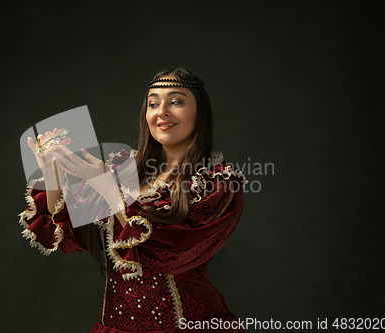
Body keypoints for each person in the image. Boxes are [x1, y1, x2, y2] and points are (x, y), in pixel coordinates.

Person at [19, 68, 247, 332]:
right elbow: (71, 237)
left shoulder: (216, 182)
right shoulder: (123, 170)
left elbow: (172, 256)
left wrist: (111, 191)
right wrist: (52, 172)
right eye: (153, 103)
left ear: (199, 112)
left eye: (176, 101)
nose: (162, 111)